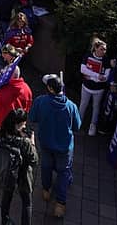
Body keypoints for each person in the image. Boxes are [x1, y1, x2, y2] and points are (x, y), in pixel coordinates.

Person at [29, 74, 80, 219]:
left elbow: (32, 118)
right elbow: (77, 125)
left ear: (50, 88)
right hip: (64, 147)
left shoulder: (40, 101)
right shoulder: (71, 106)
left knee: (45, 167)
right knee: (63, 174)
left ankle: (46, 190)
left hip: (46, 143)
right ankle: (60, 204)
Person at [0, 108, 37, 225]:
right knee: (27, 202)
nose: (25, 126)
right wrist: (32, 142)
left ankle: (5, 220)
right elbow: (34, 160)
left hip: (8, 171)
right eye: (23, 124)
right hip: (23, 173)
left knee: (6, 197)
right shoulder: (24, 142)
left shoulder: (1, 134)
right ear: (17, 124)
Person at [0, 66, 32, 143]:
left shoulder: (2, 91)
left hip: (2, 125)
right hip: (19, 124)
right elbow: (28, 107)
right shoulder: (27, 88)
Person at [78, 38, 110, 136]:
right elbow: (83, 69)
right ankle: (78, 122)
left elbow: (105, 77)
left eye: (105, 49)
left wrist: (91, 76)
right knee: (83, 105)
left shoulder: (106, 60)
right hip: (86, 87)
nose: (103, 51)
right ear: (95, 48)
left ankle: (93, 125)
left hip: (98, 90)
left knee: (96, 107)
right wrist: (96, 76)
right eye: (101, 49)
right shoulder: (88, 55)